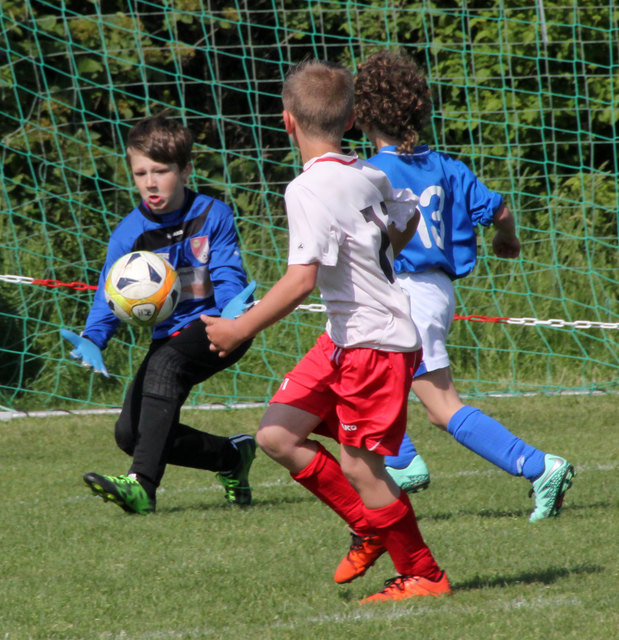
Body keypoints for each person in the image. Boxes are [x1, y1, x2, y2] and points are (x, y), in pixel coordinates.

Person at [203, 59, 451, 603]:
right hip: (344, 339)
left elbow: (300, 281)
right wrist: (375, 255)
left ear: (287, 120)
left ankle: (424, 575)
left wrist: (238, 329)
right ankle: (368, 526)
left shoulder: (307, 189)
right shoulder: (368, 173)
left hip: (374, 344)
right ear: (352, 119)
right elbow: (406, 219)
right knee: (277, 434)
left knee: (362, 467)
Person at [353, 50, 575, 524]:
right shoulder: (448, 168)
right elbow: (501, 211)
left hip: (405, 293)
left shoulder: (369, 175)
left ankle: (538, 466)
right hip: (435, 292)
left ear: (362, 116)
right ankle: (400, 459)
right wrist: (506, 239)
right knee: (359, 374)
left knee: (439, 405)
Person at [62, 113, 256, 515]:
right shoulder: (128, 234)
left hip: (221, 324)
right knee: (131, 433)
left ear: (185, 170)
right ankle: (231, 456)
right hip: (170, 337)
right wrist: (94, 337)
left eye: (161, 171)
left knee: (164, 367)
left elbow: (226, 271)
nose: (150, 182)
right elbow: (109, 293)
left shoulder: (213, 214)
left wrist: (233, 309)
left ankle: (142, 487)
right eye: (141, 173)